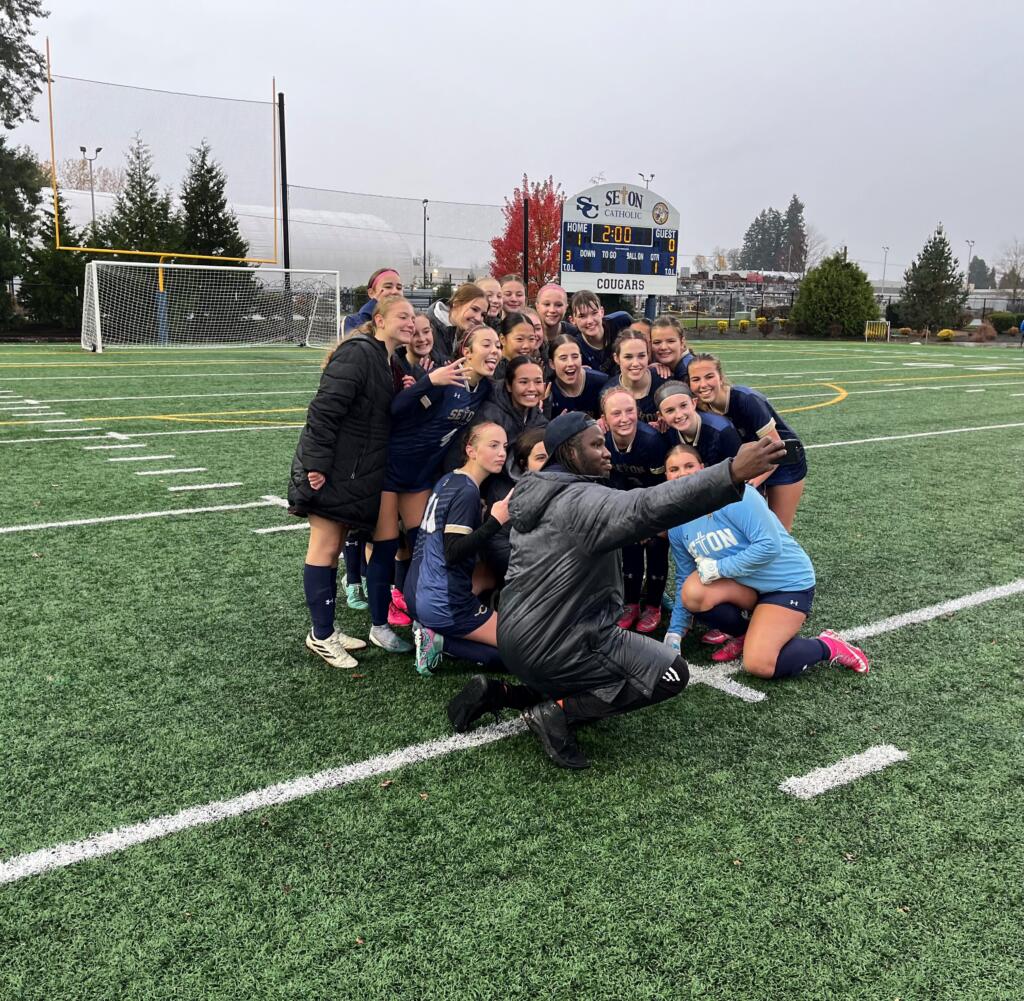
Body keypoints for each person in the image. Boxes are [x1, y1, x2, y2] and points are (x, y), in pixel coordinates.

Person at [444, 411, 787, 769]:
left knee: (594, 665)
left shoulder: (535, 492)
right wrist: (731, 471)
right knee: (670, 673)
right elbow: (647, 505)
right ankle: (555, 714)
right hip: (559, 642)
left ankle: (501, 693)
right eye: (595, 445)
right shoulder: (580, 501)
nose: (606, 452)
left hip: (513, 637)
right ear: (570, 453)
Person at [662, 443, 870, 677]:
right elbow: (683, 577)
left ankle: (827, 646)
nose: (682, 473)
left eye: (689, 466)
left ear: (703, 468)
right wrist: (675, 633)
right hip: (747, 586)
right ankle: (745, 634)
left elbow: (770, 546)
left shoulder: (736, 496)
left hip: (786, 584)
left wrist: (720, 568)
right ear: (666, 476)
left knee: (759, 665)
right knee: (692, 591)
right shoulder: (678, 524)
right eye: (674, 469)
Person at [288, 296, 415, 669]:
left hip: (354, 472)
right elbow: (324, 410)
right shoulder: (359, 353)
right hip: (333, 469)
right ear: (379, 320)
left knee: (333, 547)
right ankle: (321, 635)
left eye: (413, 317)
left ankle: (325, 629)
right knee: (324, 548)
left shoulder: (387, 360)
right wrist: (315, 463)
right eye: (402, 317)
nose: (410, 323)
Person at [365, 326, 500, 652]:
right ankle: (378, 625)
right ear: (466, 350)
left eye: (498, 345)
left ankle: (417, 617)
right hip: (391, 469)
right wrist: (429, 382)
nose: (495, 350)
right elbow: (396, 410)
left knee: (421, 549)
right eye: (487, 344)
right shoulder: (445, 378)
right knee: (385, 548)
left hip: (421, 476)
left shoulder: (484, 388)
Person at [408, 422, 512, 676]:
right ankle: (440, 640)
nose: (502, 453)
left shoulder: (450, 479)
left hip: (416, 589)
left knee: (488, 573)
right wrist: (496, 521)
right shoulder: (467, 492)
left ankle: (432, 627)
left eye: (505, 447)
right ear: (471, 450)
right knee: (521, 652)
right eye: (493, 445)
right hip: (442, 601)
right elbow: (453, 552)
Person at [688, 353, 807, 531]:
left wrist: (749, 484)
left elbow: (776, 448)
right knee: (753, 527)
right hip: (755, 460)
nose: (703, 384)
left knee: (779, 529)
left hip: (784, 460)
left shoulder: (746, 399)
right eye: (696, 379)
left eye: (709, 376)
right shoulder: (702, 406)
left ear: (720, 377)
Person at [602, 386, 669, 635]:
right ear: (605, 418)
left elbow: (660, 489)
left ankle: (653, 604)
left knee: (656, 544)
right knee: (626, 541)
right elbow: (610, 485)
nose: (624, 418)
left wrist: (648, 524)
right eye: (615, 413)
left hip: (655, 506)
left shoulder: (651, 442)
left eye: (630, 411)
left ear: (638, 412)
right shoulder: (602, 441)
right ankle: (630, 602)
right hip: (625, 505)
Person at [656, 381, 742, 468]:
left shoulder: (723, 431)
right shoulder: (665, 431)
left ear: (694, 403)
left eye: (683, 405)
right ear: (661, 416)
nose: (679, 415)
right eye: (670, 411)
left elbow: (740, 469)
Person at [605, 330, 665, 423]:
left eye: (641, 356)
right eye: (628, 357)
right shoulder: (608, 393)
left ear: (648, 356)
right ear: (616, 358)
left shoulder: (664, 381)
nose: (636, 363)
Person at [569, 290, 633, 372]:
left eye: (594, 313)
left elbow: (646, 338)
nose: (590, 321)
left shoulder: (622, 321)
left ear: (602, 312)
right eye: (582, 316)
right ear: (572, 320)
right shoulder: (574, 347)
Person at [548, 332, 609, 418]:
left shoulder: (601, 382)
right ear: (552, 364)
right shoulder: (547, 391)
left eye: (575, 356)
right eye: (563, 358)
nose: (570, 363)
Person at [424, 282, 488, 359]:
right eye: (474, 309)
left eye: (483, 315)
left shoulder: (482, 336)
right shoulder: (427, 329)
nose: (478, 318)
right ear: (456, 303)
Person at [343, 268, 405, 336]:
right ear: (371, 293)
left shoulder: (410, 322)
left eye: (399, 288)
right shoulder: (352, 321)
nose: (395, 291)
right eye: (388, 287)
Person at [395, 312, 441, 383]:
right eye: (414, 334)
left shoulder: (446, 365)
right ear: (402, 339)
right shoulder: (393, 371)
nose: (422, 339)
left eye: (426, 332)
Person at [492, 312, 538, 382]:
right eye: (519, 339)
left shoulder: (535, 368)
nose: (526, 346)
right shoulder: (492, 370)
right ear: (502, 339)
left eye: (531, 339)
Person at [649, 315, 695, 380]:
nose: (663, 347)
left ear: (682, 342)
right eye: (657, 342)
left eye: (670, 341)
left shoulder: (688, 370)